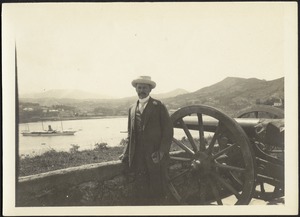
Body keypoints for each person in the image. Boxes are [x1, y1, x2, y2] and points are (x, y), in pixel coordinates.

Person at [119, 75, 173, 205]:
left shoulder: (158, 106)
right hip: (138, 157)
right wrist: (126, 153)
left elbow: (168, 132)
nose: (141, 90)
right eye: (139, 87)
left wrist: (161, 152)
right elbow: (130, 135)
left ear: (150, 90)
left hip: (155, 157)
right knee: (141, 189)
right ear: (136, 89)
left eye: (144, 87)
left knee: (158, 189)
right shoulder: (131, 109)